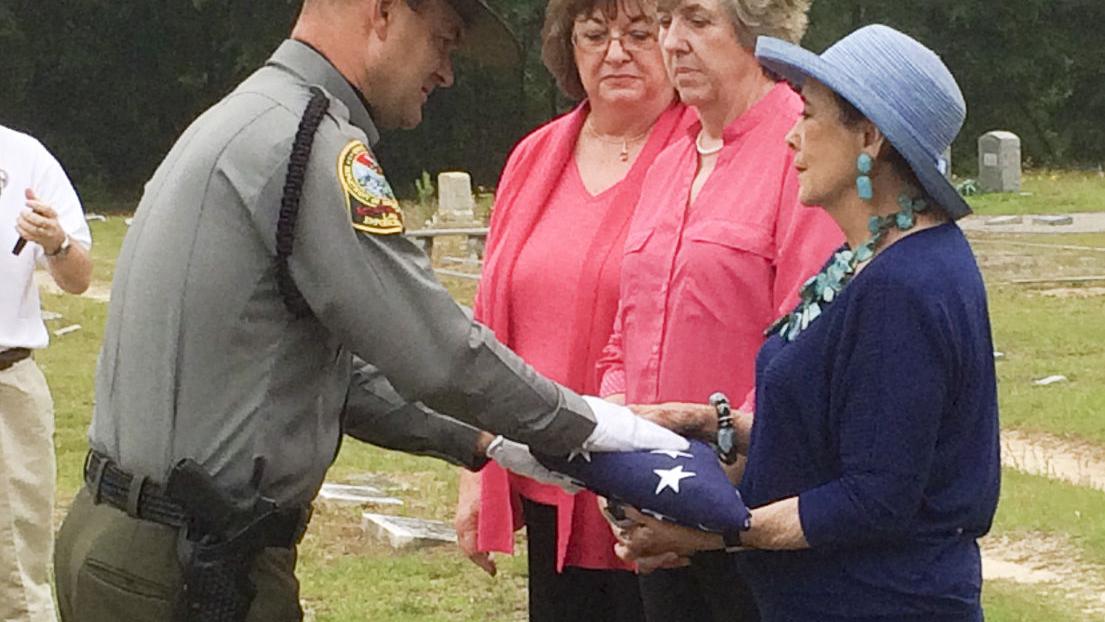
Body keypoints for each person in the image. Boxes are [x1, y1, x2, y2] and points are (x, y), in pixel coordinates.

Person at [52, 1, 686, 621]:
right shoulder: (311, 147)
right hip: (193, 571)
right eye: (442, 40)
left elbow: (328, 376)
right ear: (382, 14)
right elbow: (439, 353)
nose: (446, 72)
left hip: (121, 539)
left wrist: (488, 438)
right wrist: (596, 432)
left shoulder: (245, 119)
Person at [612, 24, 1001, 622]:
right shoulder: (862, 259)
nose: (790, 138)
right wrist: (708, 423)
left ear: (868, 137)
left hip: (881, 602)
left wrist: (713, 536)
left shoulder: (906, 286)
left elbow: (873, 498)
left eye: (809, 116)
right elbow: (834, 434)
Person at [593, 0, 841, 619]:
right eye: (665, 22)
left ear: (758, 32)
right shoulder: (668, 159)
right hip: (655, 501)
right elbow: (625, 333)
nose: (673, 42)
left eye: (698, 21)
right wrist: (615, 451)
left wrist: (710, 482)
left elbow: (808, 341)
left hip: (756, 509)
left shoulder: (801, 149)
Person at [452, 1, 695, 619]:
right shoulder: (534, 157)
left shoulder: (699, 153)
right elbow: (487, 318)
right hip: (545, 467)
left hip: (654, 479)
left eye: (639, 34)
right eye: (595, 34)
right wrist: (477, 466)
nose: (616, 52)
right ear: (569, 47)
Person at [0, 124, 93, 622]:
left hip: (6, 388)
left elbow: (79, 278)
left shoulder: (23, 156)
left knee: (15, 574)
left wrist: (56, 242)